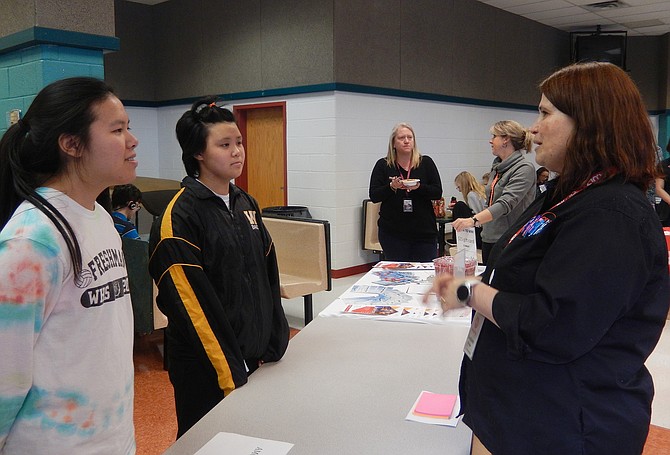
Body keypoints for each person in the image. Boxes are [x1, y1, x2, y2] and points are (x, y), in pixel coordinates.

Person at [428, 62, 669, 455]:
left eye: (544, 113)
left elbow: (553, 326)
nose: (533, 129)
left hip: (567, 425)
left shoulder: (613, 214)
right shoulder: (567, 193)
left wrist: (469, 291)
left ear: (589, 121)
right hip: (519, 409)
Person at [0, 77, 138, 453]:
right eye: (117, 129)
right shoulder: (32, 240)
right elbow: (4, 374)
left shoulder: (100, 217)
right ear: (72, 144)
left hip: (111, 439)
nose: (132, 140)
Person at [148, 98, 290, 437]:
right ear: (198, 153)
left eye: (238, 142)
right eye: (224, 145)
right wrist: (231, 369)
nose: (237, 151)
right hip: (207, 368)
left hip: (253, 357)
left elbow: (267, 272)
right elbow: (191, 308)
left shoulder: (245, 202)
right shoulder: (179, 217)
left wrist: (275, 340)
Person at [452, 120, 536, 264]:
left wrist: (473, 220)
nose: (490, 141)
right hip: (489, 237)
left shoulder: (524, 168)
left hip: (510, 239)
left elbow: (505, 204)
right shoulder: (497, 168)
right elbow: (489, 202)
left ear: (506, 139)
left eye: (494, 136)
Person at [369, 122, 443, 261]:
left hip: (424, 232)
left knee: (425, 275)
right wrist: (391, 187)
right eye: (402, 138)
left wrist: (419, 187)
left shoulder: (425, 163)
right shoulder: (383, 165)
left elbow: (437, 192)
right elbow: (374, 195)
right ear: (393, 143)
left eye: (410, 137)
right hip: (393, 233)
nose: (406, 141)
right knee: (399, 275)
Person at [452, 171, 486, 248]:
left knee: (459, 206)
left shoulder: (471, 195)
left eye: (459, 187)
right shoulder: (480, 191)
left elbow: (477, 214)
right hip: (484, 226)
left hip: (480, 228)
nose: (459, 190)